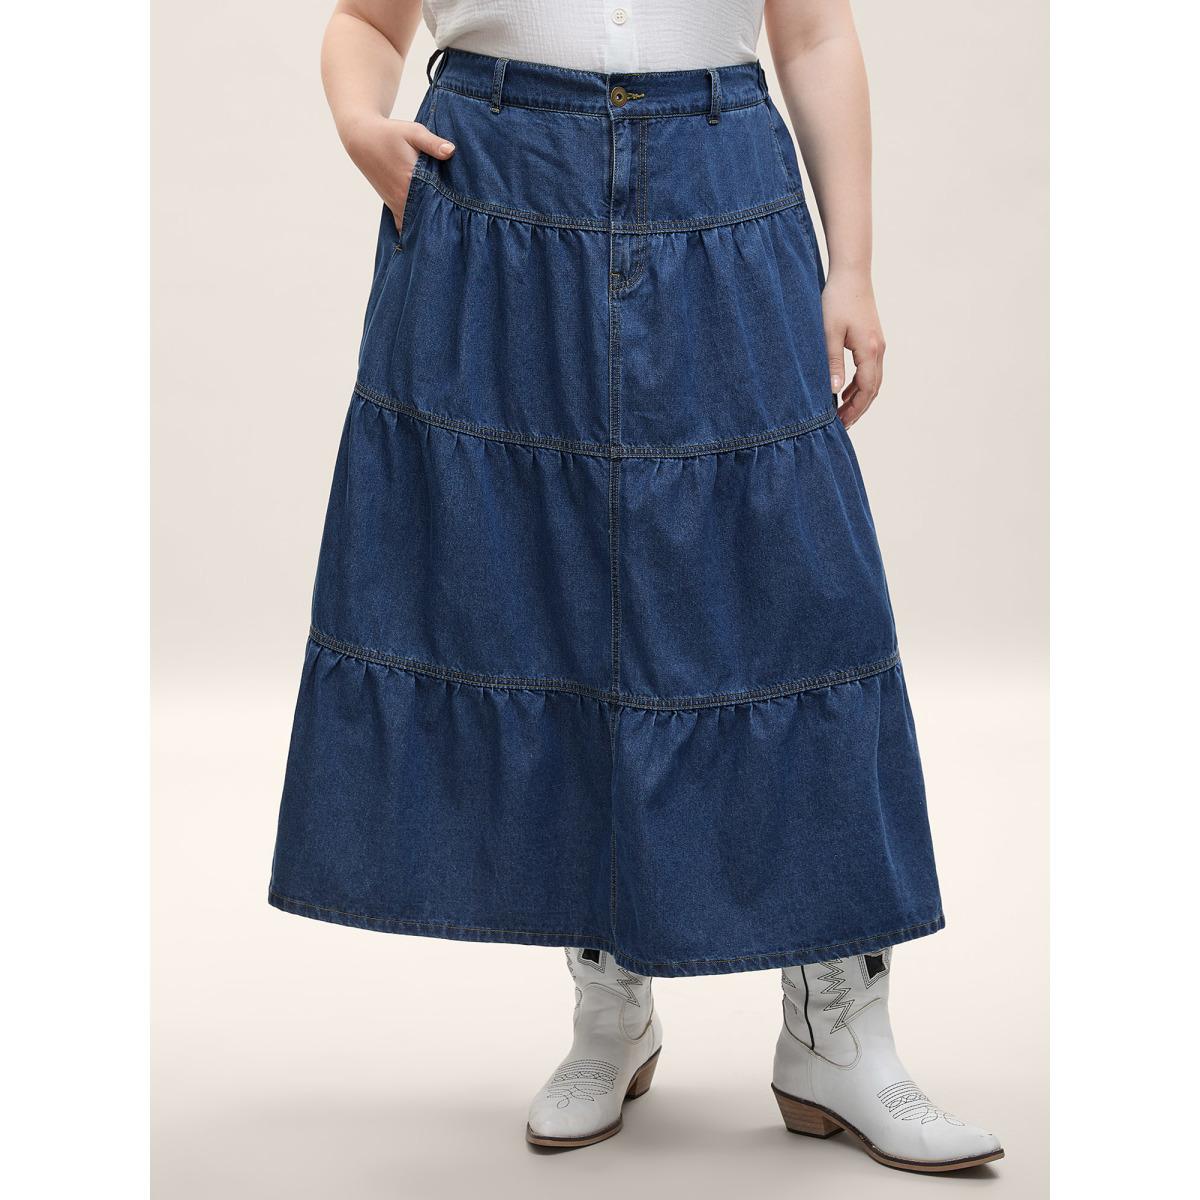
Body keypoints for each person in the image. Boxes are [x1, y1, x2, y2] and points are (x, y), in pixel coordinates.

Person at [269, 0, 1004, 1173]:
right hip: (495, 179)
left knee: (798, 603)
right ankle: (609, 1006)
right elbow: (367, 18)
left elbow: (814, 35)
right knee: (554, 592)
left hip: (722, 170)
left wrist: (855, 266)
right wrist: (360, 120)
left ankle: (838, 1031)